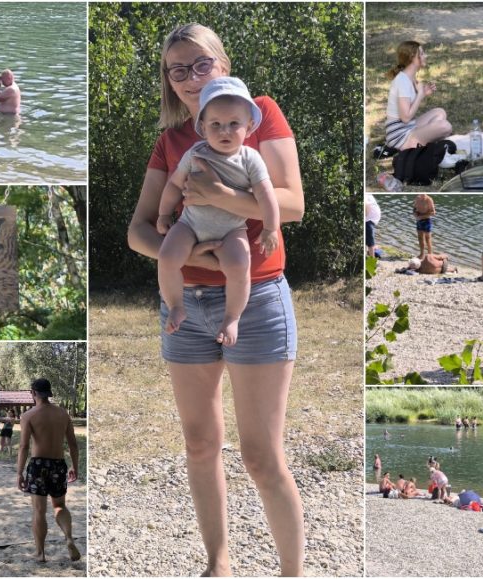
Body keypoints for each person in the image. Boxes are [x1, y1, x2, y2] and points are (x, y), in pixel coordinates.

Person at [124, 23, 305, 577]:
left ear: (221, 63)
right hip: (187, 305)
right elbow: (138, 232)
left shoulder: (260, 112)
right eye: (175, 70)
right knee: (201, 444)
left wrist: (221, 197)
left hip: (257, 301)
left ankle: (293, 573)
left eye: (199, 64)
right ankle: (217, 563)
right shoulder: (173, 139)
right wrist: (198, 259)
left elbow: (293, 204)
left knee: (260, 455)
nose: (188, 78)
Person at [157, 76, 280, 346]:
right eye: (216, 124)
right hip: (189, 225)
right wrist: (165, 214)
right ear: (202, 126)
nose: (224, 131)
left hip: (231, 229)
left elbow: (266, 195)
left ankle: (232, 317)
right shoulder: (196, 153)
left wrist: (271, 228)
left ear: (249, 127)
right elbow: (174, 184)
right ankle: (176, 305)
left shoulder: (250, 159)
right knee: (166, 256)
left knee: (238, 265)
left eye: (234, 124)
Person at [17, 378, 81, 563]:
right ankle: (68, 537)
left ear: (33, 393)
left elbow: (23, 447)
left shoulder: (28, 416)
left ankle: (40, 553)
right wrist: (74, 467)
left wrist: (19, 472)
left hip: (38, 466)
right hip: (58, 464)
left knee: (39, 511)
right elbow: (73, 445)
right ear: (49, 393)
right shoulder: (63, 414)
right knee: (60, 505)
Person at [383, 40, 452, 150]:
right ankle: (413, 143)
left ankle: (422, 139)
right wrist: (420, 94)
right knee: (445, 126)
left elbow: (407, 109)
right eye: (422, 53)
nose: (426, 55)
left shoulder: (409, 77)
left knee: (440, 112)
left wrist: (423, 93)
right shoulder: (402, 81)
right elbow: (405, 118)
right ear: (413, 58)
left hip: (407, 127)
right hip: (399, 136)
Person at [412, 194, 436, 258]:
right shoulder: (417, 198)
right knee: (420, 238)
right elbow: (414, 208)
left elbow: (433, 212)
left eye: (424, 194)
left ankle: (430, 255)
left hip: (426, 221)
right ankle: (422, 254)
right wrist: (415, 213)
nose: (422, 195)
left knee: (427, 239)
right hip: (418, 220)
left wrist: (422, 215)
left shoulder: (429, 199)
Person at [365, 193, 381, 258]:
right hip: (372, 218)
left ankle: (371, 264)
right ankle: (369, 252)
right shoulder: (367, 194)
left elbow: (366, 205)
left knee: (370, 243)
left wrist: (365, 216)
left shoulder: (365, 195)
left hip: (369, 219)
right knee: (369, 240)